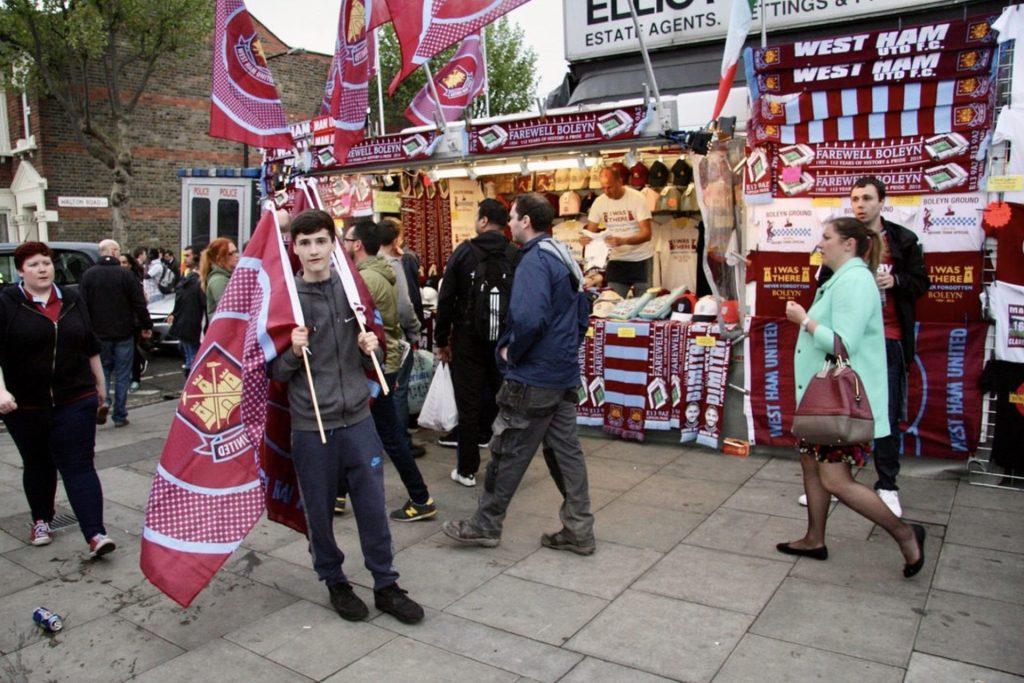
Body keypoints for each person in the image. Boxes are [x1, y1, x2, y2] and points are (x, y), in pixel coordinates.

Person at [268, 211, 423, 624]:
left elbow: (370, 350)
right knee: (318, 510)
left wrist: (369, 343)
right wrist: (292, 352)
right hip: (310, 422)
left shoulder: (351, 289)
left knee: (372, 505)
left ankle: (386, 584)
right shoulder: (288, 299)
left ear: (334, 244)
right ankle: (334, 579)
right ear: (295, 249)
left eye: (321, 241)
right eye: (305, 243)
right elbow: (272, 373)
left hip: (357, 418)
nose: (314, 251)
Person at [443, 193, 595, 555]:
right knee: (565, 453)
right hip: (561, 373)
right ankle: (579, 528)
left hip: (534, 374)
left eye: (512, 217)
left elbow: (528, 317)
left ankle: (485, 523)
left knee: (508, 449)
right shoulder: (563, 255)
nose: (509, 223)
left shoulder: (535, 261)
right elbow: (583, 312)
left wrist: (514, 350)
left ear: (526, 221)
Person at [778, 217, 925, 578]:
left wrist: (804, 320)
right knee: (810, 466)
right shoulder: (843, 279)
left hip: (836, 402)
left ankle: (906, 536)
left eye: (827, 237)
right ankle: (814, 538)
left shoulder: (856, 280)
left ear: (849, 244)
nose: (820, 244)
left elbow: (844, 343)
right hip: (820, 399)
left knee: (835, 480)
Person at [798, 177, 930, 517]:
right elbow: (825, 286)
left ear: (881, 202)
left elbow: (921, 282)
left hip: (887, 339)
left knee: (882, 415)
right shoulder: (844, 241)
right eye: (855, 198)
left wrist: (896, 281)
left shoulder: (902, 239)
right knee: (839, 412)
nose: (860, 204)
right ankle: (840, 480)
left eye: (867, 198)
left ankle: (886, 485)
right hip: (844, 339)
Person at [0, 241, 117, 557]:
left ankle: (96, 533)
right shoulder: (7, 303)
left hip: (75, 397)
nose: (42, 269)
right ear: (21, 270)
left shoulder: (72, 299)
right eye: (35, 265)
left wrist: (100, 385)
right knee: (38, 463)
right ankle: (41, 519)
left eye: (47, 263)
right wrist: (1, 391)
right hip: (25, 404)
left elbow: (89, 344)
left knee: (79, 465)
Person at [343, 221, 436, 522]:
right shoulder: (382, 270)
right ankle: (338, 492)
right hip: (384, 360)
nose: (343, 244)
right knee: (359, 429)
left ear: (357, 244)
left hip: (376, 364)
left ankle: (420, 497)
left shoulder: (365, 278)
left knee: (388, 435)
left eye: (347, 239)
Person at [434, 199, 522, 486]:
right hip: (505, 344)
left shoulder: (463, 253)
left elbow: (445, 299)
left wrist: (441, 340)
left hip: (467, 341)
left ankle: (467, 469)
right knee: (504, 406)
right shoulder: (515, 254)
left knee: (468, 406)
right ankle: (503, 470)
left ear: (483, 221)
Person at [80, 239, 153, 428]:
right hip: (124, 332)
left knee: (102, 371)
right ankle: (120, 414)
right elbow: (139, 303)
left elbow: (82, 306)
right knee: (122, 374)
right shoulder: (126, 275)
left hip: (98, 333)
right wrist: (146, 325)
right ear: (113, 252)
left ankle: (103, 401)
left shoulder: (88, 276)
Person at [378, 219, 426, 459]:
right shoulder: (394, 264)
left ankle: (383, 435)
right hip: (397, 338)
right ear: (397, 238)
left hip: (376, 337)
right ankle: (400, 441)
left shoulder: (368, 263)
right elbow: (405, 306)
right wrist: (416, 329)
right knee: (398, 390)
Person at [580, 166, 653, 297]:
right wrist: (585, 238)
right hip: (617, 259)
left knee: (642, 303)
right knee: (611, 301)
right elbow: (590, 231)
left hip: (641, 258)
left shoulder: (637, 198)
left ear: (620, 181)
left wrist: (624, 241)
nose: (607, 192)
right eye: (603, 188)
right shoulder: (599, 202)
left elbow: (647, 234)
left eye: (610, 187)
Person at [167, 245, 204, 375]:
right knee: (190, 359)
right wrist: (174, 313)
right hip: (186, 324)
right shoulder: (188, 274)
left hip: (191, 324)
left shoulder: (197, 277)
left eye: (188, 256)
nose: (185, 259)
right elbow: (181, 298)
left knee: (193, 361)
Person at [201, 237, 239, 318]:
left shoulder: (226, 276)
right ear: (219, 258)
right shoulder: (219, 280)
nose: (236, 256)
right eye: (231, 254)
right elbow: (228, 312)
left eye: (236, 252)